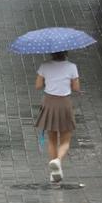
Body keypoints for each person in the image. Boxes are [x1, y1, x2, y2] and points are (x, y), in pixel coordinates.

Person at [35, 51, 80, 183]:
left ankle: (54, 171)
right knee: (65, 141)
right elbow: (76, 88)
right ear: (66, 53)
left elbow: (38, 86)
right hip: (64, 103)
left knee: (52, 140)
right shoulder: (72, 66)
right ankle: (58, 161)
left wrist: (47, 80)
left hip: (49, 103)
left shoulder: (44, 66)